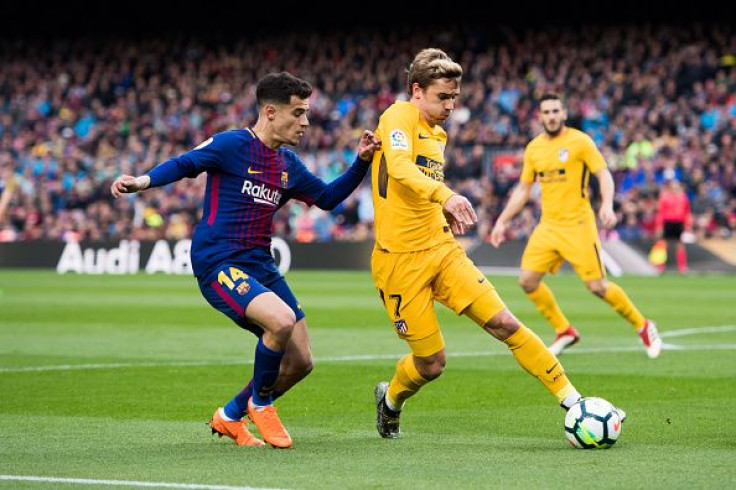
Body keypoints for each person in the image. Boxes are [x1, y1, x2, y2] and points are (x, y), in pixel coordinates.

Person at [111, 72, 380, 448]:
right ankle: (261, 403)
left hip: (259, 264)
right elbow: (185, 163)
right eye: (298, 112)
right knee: (281, 321)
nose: (305, 122)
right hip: (218, 260)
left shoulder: (288, 165)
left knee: (301, 361)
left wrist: (361, 162)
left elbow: (329, 198)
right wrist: (143, 181)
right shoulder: (232, 144)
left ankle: (230, 416)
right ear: (270, 111)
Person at [368, 48, 623, 439]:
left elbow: (416, 190)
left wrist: (442, 212)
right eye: (442, 97)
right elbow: (400, 169)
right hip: (399, 262)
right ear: (417, 91)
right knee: (432, 363)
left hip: (442, 250)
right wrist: (446, 196)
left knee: (506, 323)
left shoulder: (438, 133)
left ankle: (574, 401)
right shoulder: (398, 116)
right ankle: (390, 401)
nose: (451, 106)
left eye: (455, 98)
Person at [490, 93, 661, 359]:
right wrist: (502, 221)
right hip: (548, 226)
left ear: (564, 113)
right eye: (546, 112)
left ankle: (643, 325)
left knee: (597, 287)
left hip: (579, 225)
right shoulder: (533, 148)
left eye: (556, 111)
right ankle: (564, 330)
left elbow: (603, 174)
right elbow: (523, 189)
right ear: (540, 116)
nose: (551, 116)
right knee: (527, 281)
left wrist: (607, 204)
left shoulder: (580, 142)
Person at [655, 178, 692, 274]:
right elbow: (661, 213)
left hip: (679, 223)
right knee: (662, 244)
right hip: (668, 222)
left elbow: (686, 213)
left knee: (680, 245)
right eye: (673, 186)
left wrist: (687, 225)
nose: (675, 188)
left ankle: (682, 267)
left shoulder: (683, 198)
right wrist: (659, 226)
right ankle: (660, 266)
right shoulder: (665, 197)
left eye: (676, 186)